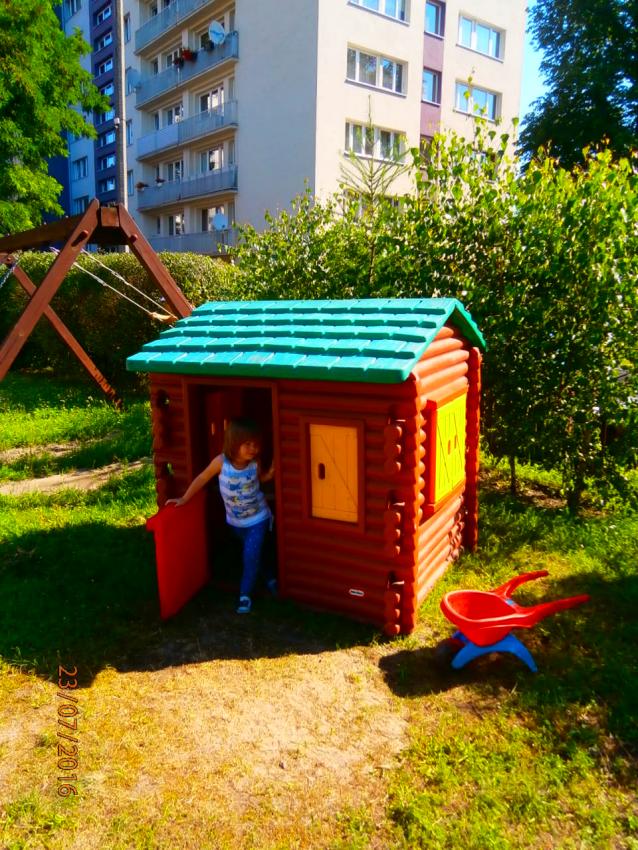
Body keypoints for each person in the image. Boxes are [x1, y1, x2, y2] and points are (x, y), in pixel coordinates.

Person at [166, 417, 276, 614]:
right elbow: (202, 477)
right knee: (253, 553)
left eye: (256, 445)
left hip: (258, 518)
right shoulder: (221, 463)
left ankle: (244, 595)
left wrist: (272, 472)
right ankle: (269, 577)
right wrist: (184, 498)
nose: (253, 449)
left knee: (250, 555)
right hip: (235, 522)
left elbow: (261, 478)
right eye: (248, 444)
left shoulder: (254, 463)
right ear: (234, 442)